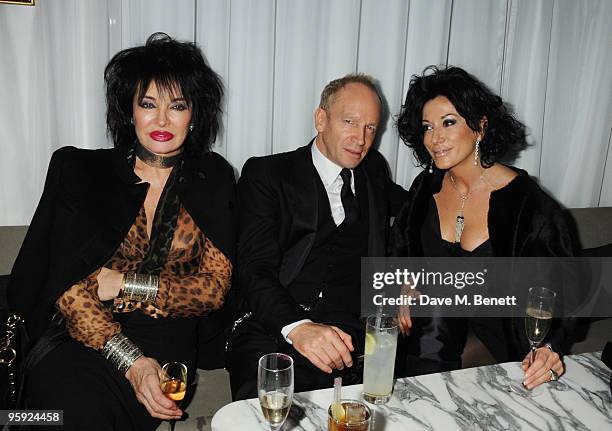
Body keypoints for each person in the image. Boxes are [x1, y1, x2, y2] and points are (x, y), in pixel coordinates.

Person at [7, 33, 236, 430]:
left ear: (194, 114)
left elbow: (214, 288)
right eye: (148, 104)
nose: (162, 119)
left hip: (168, 340)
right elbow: (67, 286)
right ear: (129, 111)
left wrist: (125, 282)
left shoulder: (213, 178)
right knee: (59, 412)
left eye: (177, 106)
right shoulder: (80, 172)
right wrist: (131, 361)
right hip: (82, 333)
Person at [389, 65, 581, 389]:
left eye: (448, 122)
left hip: (500, 341)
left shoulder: (529, 207)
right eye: (427, 127)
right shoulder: (426, 187)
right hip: (430, 336)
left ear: (480, 126)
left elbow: (566, 289)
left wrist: (550, 347)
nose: (434, 138)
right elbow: (401, 247)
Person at [226, 74, 408, 399]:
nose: (361, 139)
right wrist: (300, 328)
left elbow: (416, 212)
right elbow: (254, 269)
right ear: (321, 119)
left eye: (371, 128)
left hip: (353, 330)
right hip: (274, 326)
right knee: (268, 411)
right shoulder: (268, 175)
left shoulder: (373, 170)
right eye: (350, 121)